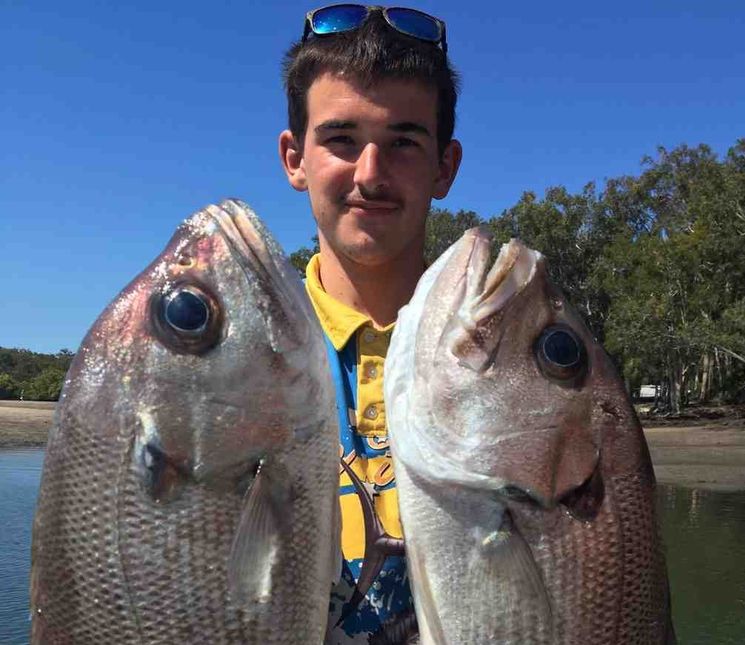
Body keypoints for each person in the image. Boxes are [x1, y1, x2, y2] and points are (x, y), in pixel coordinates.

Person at [278, 5, 462, 643]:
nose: (370, 174)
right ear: (295, 157)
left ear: (445, 167)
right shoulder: (244, 357)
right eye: (341, 139)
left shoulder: (505, 360)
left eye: (405, 142)